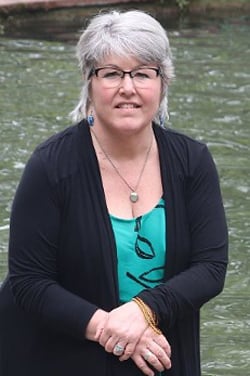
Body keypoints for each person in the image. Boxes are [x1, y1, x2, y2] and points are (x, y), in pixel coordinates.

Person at [0, 9, 228, 376]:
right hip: (60, 358)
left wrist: (144, 310)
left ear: (163, 82)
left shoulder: (192, 162)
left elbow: (210, 268)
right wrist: (112, 330)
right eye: (111, 74)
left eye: (142, 73)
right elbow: (29, 282)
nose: (128, 87)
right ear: (89, 83)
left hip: (161, 357)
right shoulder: (50, 167)